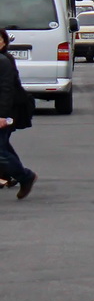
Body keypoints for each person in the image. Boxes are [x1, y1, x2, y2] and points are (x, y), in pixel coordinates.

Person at [0, 29, 38, 199]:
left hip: (6, 111)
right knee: (3, 146)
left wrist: (2, 116)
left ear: (4, 42)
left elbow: (6, 90)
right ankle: (13, 175)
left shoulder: (4, 61)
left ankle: (25, 176)